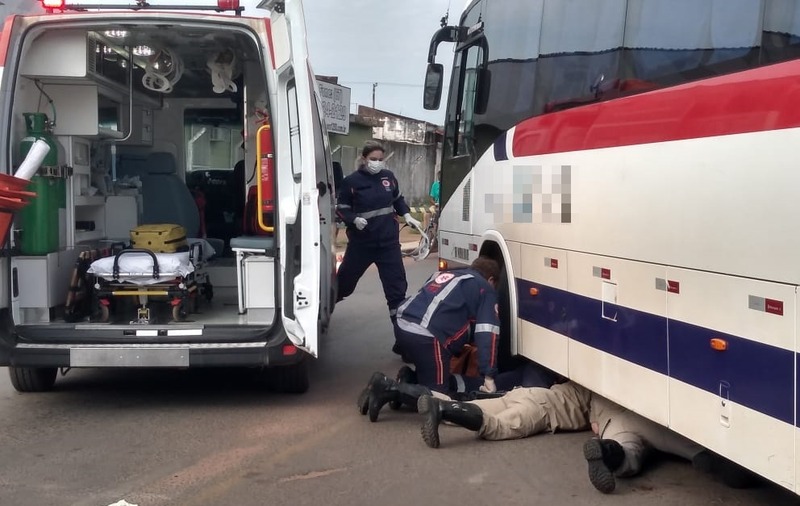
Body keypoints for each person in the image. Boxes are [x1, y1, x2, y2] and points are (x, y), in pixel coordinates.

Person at [416, 382, 758, 493]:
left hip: (530, 395)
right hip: (603, 417)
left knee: (486, 406)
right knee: (633, 450)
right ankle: (609, 452)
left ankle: (431, 402)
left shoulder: (571, 386)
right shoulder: (590, 401)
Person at [358, 256, 502, 422]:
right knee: (439, 401)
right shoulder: (485, 288)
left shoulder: (447, 275)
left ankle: (409, 380)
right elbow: (487, 332)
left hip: (403, 325)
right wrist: (489, 375)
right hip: (427, 338)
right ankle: (387, 388)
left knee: (432, 379)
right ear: (491, 279)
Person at [335, 141, 422, 324]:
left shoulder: (388, 177)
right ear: (364, 159)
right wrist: (353, 220)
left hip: (388, 244)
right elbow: (342, 208)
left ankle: (402, 336)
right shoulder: (351, 182)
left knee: (396, 291)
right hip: (362, 245)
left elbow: (397, 199)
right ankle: (320, 310)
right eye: (373, 159)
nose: (377, 162)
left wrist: (407, 214)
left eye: (380, 159)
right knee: (344, 284)